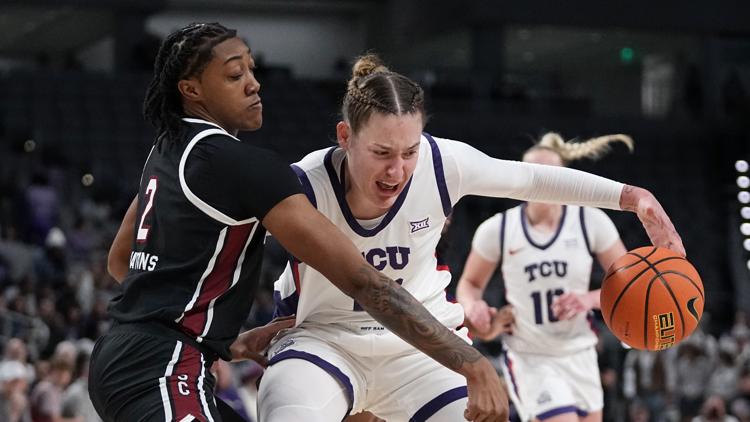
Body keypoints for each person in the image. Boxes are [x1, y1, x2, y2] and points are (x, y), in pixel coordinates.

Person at [90, 23, 506, 422]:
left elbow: (121, 258)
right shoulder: (239, 164)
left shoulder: (167, 147)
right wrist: (469, 361)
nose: (254, 84)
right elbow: (364, 282)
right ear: (191, 89)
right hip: (160, 369)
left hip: (137, 357)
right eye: (235, 75)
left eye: (252, 68)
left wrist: (219, 338)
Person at [263, 54, 684, 422]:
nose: (397, 171)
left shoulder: (444, 164)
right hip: (325, 340)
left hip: (422, 348)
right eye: (381, 153)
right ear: (345, 137)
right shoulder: (303, 184)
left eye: (409, 152)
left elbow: (532, 179)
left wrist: (634, 198)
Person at [455, 132, 634, 422]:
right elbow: (469, 284)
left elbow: (630, 286)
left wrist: (588, 298)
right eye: (532, 174)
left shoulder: (590, 221)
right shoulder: (498, 229)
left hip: (580, 352)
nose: (541, 183)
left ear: (564, 179)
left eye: (549, 175)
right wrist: (471, 305)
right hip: (531, 356)